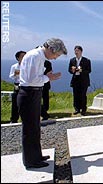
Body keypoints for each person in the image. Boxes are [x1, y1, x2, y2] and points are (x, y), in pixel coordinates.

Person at [17, 38, 67, 169]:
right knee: (30, 129)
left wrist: (46, 78)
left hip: (33, 93)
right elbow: (32, 80)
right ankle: (31, 161)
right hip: (29, 93)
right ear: (51, 49)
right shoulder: (35, 56)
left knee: (35, 127)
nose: (55, 58)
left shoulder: (38, 56)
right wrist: (48, 78)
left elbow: (35, 78)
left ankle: (36, 156)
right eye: (56, 55)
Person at [68, 45, 91, 116]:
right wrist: (72, 70)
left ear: (81, 51)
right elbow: (69, 70)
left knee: (83, 95)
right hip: (75, 80)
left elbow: (89, 70)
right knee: (76, 95)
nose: (76, 52)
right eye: (75, 51)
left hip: (84, 80)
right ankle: (77, 109)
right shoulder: (72, 60)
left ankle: (83, 109)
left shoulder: (87, 60)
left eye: (77, 50)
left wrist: (81, 70)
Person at [8, 51, 26, 123]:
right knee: (15, 101)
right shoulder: (14, 66)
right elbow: (11, 76)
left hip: (25, 85)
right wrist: (16, 74)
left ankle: (24, 118)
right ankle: (14, 119)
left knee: (26, 102)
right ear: (18, 58)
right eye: (22, 56)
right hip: (17, 84)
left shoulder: (27, 66)